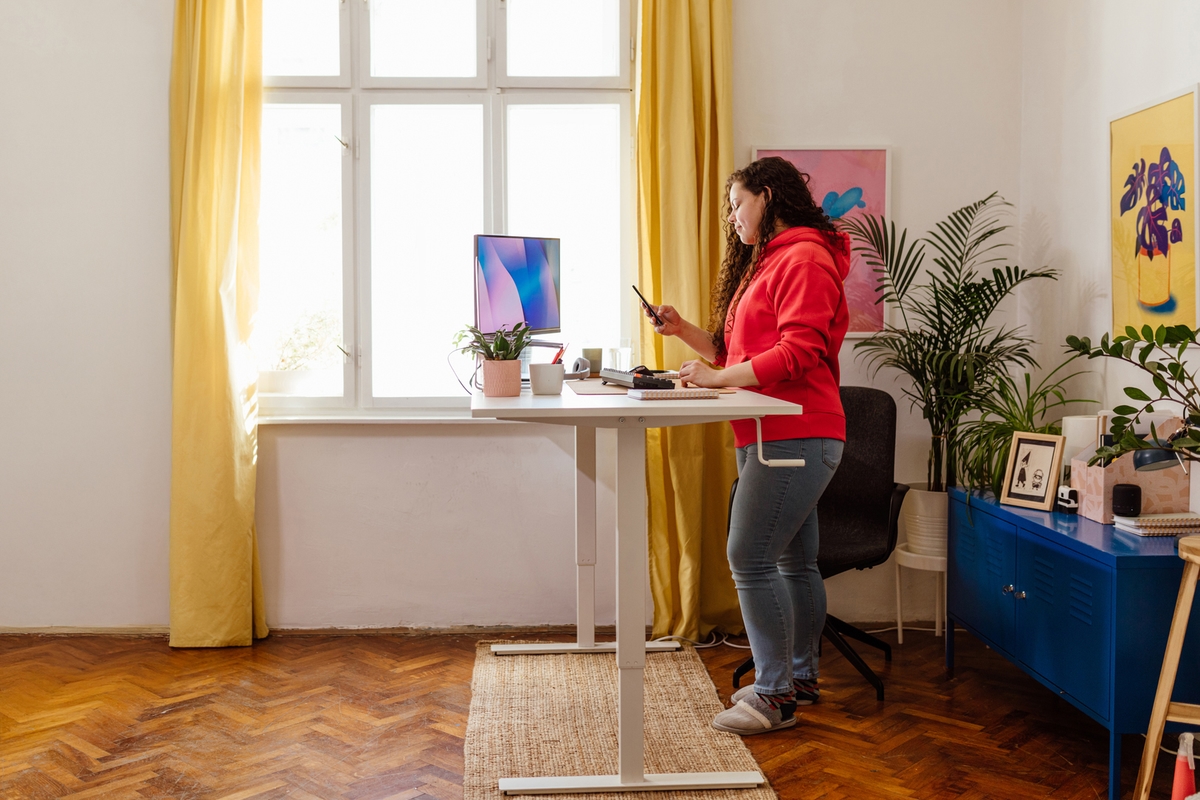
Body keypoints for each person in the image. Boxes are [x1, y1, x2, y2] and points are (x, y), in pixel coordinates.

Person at [644, 156, 850, 735]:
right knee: (792, 559)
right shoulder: (775, 262)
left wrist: (716, 379)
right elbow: (741, 359)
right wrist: (684, 331)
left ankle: (773, 696)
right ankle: (800, 680)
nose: (732, 218)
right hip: (776, 432)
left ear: (767, 195)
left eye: (737, 204)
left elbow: (798, 353)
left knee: (749, 557)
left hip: (795, 433)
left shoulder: (804, 258)